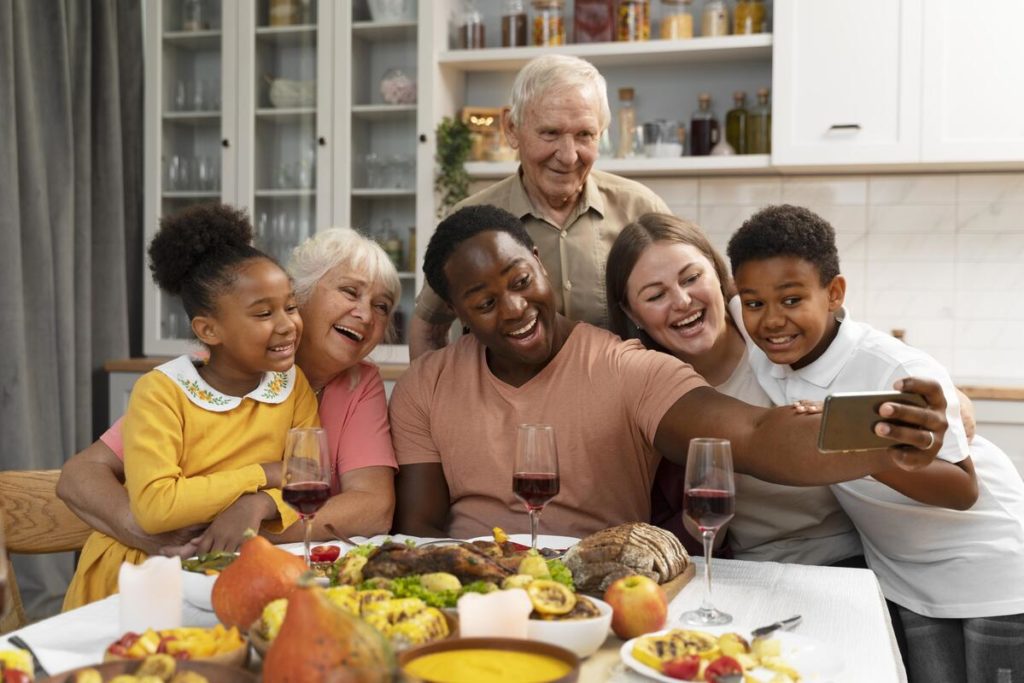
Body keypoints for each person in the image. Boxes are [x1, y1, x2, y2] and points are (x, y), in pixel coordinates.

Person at [389, 204, 950, 540]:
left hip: (604, 598)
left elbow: (757, 434)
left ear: (539, 261)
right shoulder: (425, 385)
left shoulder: (627, 368)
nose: (513, 308)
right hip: (468, 592)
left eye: (518, 280)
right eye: (484, 303)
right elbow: (419, 527)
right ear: (459, 313)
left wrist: (884, 438)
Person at [727, 204, 1024, 682]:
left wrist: (844, 443)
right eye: (754, 303)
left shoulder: (892, 367)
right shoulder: (768, 350)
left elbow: (963, 489)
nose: (771, 321)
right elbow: (715, 290)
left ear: (835, 293)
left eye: (791, 300)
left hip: (993, 570)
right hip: (906, 580)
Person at [58, 224, 401, 561]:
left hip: (254, 566)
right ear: (301, 293)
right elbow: (80, 475)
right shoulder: (210, 376)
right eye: (351, 292)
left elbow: (373, 508)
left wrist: (246, 523)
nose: (365, 314)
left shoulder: (356, 382)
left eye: (382, 306)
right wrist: (144, 530)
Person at [64, 204, 320, 608]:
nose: (288, 324)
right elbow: (156, 508)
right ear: (208, 329)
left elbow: (307, 481)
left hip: (231, 571)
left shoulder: (292, 385)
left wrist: (261, 502)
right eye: (264, 313)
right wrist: (264, 474)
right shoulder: (162, 392)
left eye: (290, 306)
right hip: (142, 577)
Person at [605, 213, 862, 565]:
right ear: (631, 313)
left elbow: (863, 357)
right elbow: (679, 538)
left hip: (849, 553)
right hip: (744, 569)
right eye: (655, 295)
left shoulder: (778, 328)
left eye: (692, 278)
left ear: (720, 273)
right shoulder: (649, 397)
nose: (682, 301)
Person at [408, 54, 670, 359]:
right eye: (550, 133)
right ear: (511, 128)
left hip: (621, 402)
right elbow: (429, 328)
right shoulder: (471, 224)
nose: (569, 156)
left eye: (585, 135)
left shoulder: (640, 208)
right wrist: (437, 403)